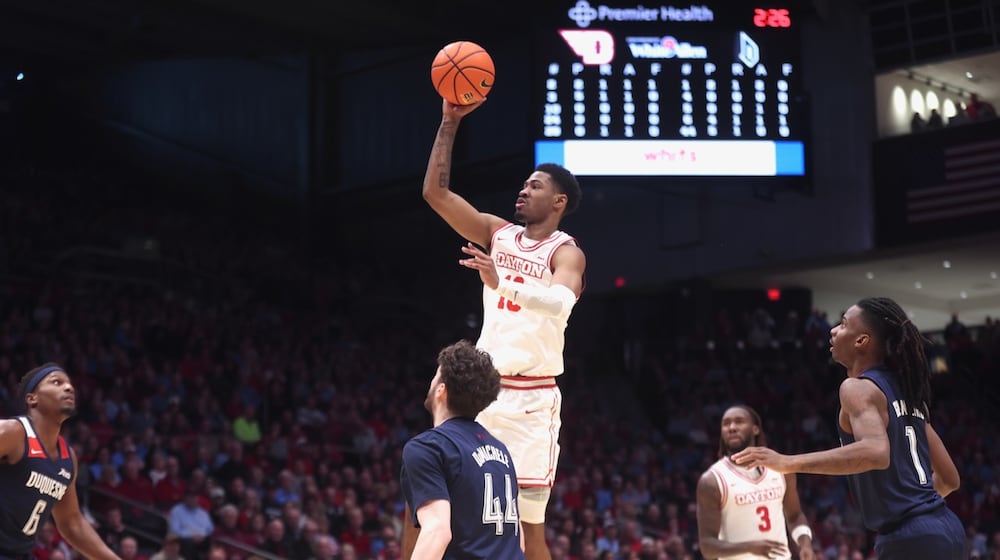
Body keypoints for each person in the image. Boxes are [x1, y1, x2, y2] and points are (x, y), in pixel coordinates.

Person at [422, 98, 586, 560]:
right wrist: (449, 123)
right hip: (479, 392)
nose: (522, 191)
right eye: (522, 185)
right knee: (432, 507)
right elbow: (436, 195)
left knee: (527, 529)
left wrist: (503, 283)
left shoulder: (565, 252)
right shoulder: (498, 233)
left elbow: (559, 302)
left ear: (559, 201)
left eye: (533, 186)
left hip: (531, 402)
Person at [733, 297, 966, 559]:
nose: (833, 330)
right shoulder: (907, 391)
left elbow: (876, 452)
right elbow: (949, 479)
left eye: (843, 324)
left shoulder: (856, 388)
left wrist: (787, 462)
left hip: (910, 537)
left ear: (861, 341)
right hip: (947, 528)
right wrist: (923, 513)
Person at [399, 340, 524, 560]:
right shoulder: (501, 452)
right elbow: (518, 540)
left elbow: (437, 531)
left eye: (436, 376)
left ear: (441, 390)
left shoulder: (428, 447)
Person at [0, 363, 122, 560]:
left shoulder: (67, 457)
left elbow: (71, 523)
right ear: (32, 399)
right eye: (56, 382)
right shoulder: (13, 432)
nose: (69, 387)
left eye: (70, 384)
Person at [696, 405, 815, 560]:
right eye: (726, 424)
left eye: (739, 422)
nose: (732, 427)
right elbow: (707, 547)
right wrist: (749, 547)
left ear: (755, 429)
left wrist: (805, 545)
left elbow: (795, 516)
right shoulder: (712, 481)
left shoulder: (781, 469)